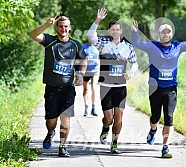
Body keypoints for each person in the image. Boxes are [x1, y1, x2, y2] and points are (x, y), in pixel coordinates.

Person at [131, 20, 186, 158]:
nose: (166, 34)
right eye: (163, 32)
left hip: (171, 88)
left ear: (171, 34)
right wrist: (134, 32)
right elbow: (138, 44)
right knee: (155, 117)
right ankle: (153, 130)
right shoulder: (152, 46)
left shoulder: (178, 46)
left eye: (168, 32)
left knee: (169, 117)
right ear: (159, 34)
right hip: (155, 87)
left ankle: (165, 147)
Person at [29, 15, 87, 157]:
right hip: (52, 88)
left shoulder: (75, 44)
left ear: (70, 27)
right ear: (57, 27)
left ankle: (62, 146)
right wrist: (46, 24)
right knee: (51, 121)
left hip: (68, 88)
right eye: (61, 26)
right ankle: (50, 133)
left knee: (65, 121)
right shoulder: (49, 40)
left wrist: (80, 75)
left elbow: (83, 60)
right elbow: (32, 34)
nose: (63, 29)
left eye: (66, 26)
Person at [86, 8, 138, 154]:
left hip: (120, 87)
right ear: (109, 31)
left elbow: (134, 63)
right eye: (113, 29)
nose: (115, 32)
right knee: (108, 118)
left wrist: (131, 73)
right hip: (106, 87)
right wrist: (98, 20)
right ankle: (105, 128)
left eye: (117, 29)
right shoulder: (102, 44)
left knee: (119, 117)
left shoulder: (127, 47)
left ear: (121, 31)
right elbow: (90, 35)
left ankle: (114, 143)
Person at [82, 41, 100, 116]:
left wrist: (98, 62)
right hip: (86, 70)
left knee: (94, 87)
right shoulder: (83, 47)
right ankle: (86, 107)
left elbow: (100, 59)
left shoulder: (97, 47)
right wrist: (85, 59)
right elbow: (79, 57)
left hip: (95, 70)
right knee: (85, 89)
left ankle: (93, 107)